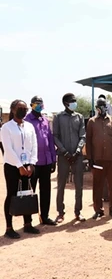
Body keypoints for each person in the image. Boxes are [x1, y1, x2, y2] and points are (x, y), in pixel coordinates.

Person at [1, 100, 40, 238]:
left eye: (25, 108)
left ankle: (28, 224)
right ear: (13, 110)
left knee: (28, 193)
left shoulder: (29, 126)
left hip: (29, 166)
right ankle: (9, 227)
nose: (23, 110)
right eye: (20, 108)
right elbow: (8, 149)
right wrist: (19, 166)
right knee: (12, 194)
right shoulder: (6, 128)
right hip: (12, 166)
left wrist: (32, 163)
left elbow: (34, 145)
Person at [53, 93, 86, 223]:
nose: (74, 103)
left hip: (77, 157)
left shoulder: (80, 117)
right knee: (61, 185)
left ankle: (78, 212)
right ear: (66, 103)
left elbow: (83, 136)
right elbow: (55, 136)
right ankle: (60, 213)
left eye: (75, 101)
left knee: (79, 185)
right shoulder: (58, 117)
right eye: (72, 101)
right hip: (63, 156)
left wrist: (78, 151)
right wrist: (65, 152)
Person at [24, 96, 57, 225]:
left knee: (45, 190)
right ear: (31, 105)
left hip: (46, 161)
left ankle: (45, 216)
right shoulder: (26, 120)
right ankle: (28, 221)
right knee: (30, 191)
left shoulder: (45, 120)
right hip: (32, 163)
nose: (39, 106)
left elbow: (50, 140)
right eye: (36, 104)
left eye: (41, 103)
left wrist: (53, 159)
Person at [86, 98, 112, 219]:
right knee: (97, 185)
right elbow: (89, 141)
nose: (101, 108)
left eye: (103, 105)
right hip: (97, 159)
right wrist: (89, 158)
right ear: (97, 108)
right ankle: (98, 210)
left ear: (107, 107)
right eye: (99, 106)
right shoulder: (92, 122)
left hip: (111, 159)